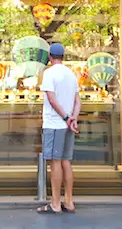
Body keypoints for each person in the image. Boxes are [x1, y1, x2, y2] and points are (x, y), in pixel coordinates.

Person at [36, 43, 81, 215]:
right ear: (63, 56)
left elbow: (52, 99)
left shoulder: (49, 73)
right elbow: (78, 101)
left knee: (55, 162)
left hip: (55, 124)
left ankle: (55, 203)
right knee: (66, 161)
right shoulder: (71, 74)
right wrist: (73, 118)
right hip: (68, 125)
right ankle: (69, 201)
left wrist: (64, 118)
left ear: (50, 56)